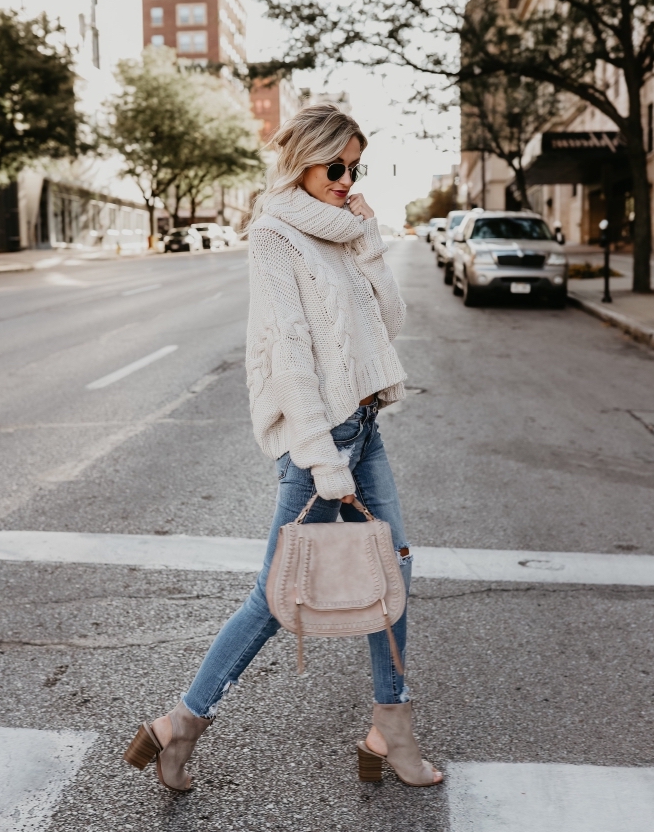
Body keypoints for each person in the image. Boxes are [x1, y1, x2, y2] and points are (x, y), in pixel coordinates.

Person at [123, 103, 444, 791]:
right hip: (320, 438)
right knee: (277, 597)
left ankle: (391, 728)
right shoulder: (274, 236)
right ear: (303, 159)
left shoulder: (345, 231)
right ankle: (181, 722)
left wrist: (370, 241)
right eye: (336, 165)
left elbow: (391, 322)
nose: (346, 177)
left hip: (364, 423)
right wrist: (324, 462)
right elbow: (290, 356)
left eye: (356, 167)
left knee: (396, 573)